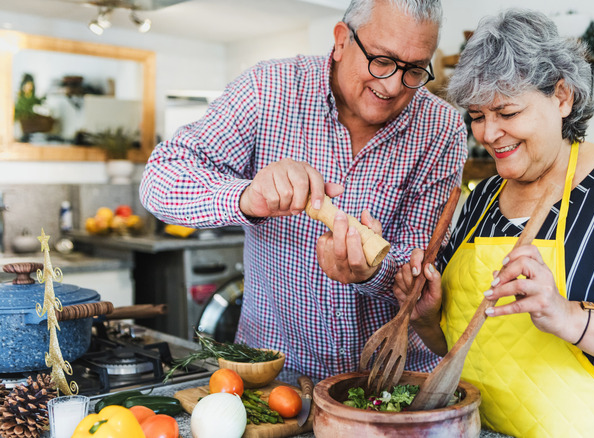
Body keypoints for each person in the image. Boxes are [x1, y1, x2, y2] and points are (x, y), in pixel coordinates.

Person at [393, 9, 594, 437]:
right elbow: (461, 350)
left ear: (562, 97)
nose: (488, 133)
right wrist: (428, 318)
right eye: (477, 115)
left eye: (506, 112)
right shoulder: (481, 204)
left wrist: (567, 317)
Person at [140, 0, 467, 380]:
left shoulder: (441, 128)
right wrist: (247, 196)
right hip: (276, 376)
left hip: (392, 379)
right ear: (342, 40)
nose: (393, 85)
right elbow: (161, 178)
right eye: (382, 60)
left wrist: (370, 273)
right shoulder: (267, 89)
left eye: (413, 69)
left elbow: (418, 262)